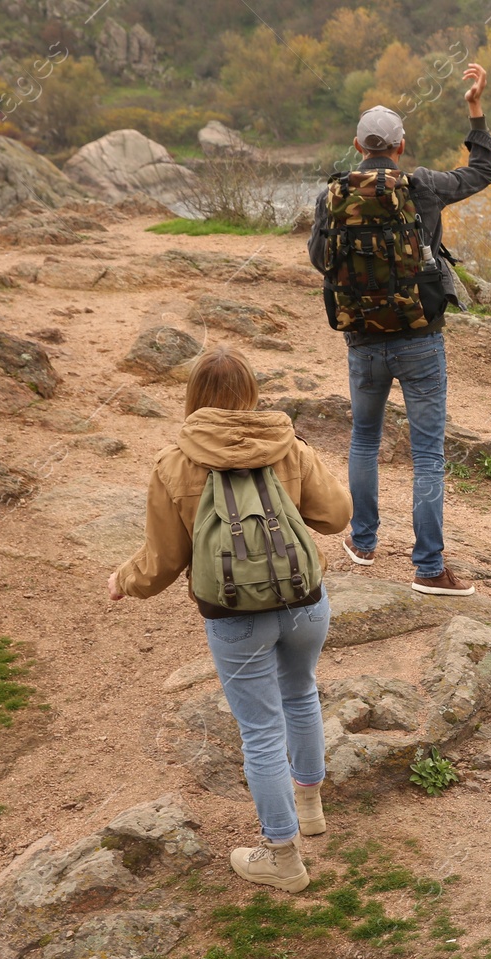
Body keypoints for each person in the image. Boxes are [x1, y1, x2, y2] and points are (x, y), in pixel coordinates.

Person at [108, 347, 351, 892]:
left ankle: (284, 859)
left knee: (261, 730)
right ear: (251, 393)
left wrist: (124, 579)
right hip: (304, 601)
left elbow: (164, 562)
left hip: (234, 616)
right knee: (302, 693)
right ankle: (309, 807)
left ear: (194, 396)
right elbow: (337, 516)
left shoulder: (175, 463)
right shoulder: (288, 446)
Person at [306, 63, 491, 597]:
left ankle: (363, 544)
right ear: (401, 145)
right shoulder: (424, 187)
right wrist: (475, 110)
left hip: (362, 339)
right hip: (419, 336)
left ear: (357, 144)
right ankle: (429, 567)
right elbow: (481, 174)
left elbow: (322, 260)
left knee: (364, 438)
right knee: (428, 453)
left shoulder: (332, 196)